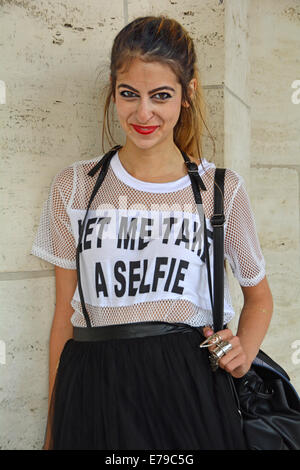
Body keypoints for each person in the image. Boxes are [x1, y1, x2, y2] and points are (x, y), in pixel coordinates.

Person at [31, 15, 273, 450]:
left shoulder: (220, 190)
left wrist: (243, 352)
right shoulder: (76, 185)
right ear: (114, 91)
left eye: (161, 95)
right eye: (129, 94)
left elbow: (260, 297)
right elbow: (63, 319)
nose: (144, 113)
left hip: (190, 390)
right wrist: (53, 432)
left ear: (187, 94)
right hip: (93, 388)